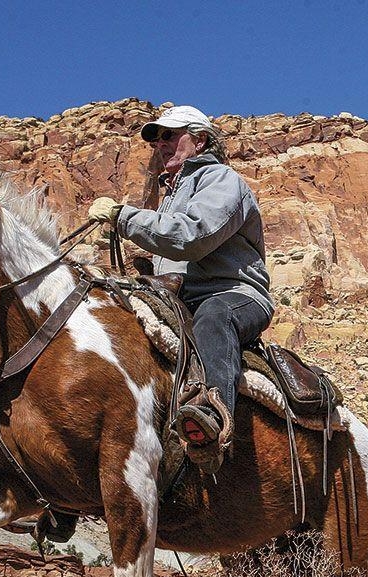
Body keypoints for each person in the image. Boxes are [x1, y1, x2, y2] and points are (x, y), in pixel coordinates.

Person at [86, 105, 272, 473]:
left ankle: (212, 419)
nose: (161, 145)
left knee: (214, 318)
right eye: (157, 139)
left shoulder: (221, 179)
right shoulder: (171, 195)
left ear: (200, 139)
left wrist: (123, 217)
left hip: (233, 295)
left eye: (169, 135)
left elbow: (191, 237)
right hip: (180, 298)